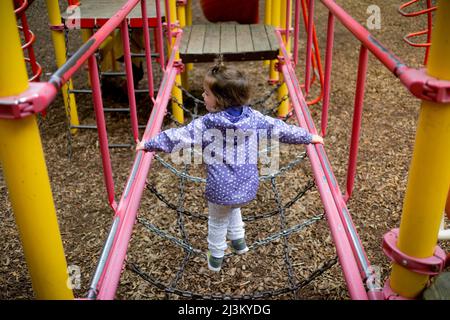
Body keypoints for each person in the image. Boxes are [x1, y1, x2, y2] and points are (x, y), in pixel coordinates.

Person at [136, 62, 324, 272]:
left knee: (217, 220)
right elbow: (279, 128)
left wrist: (148, 144)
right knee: (233, 206)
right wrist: (308, 137)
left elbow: (178, 136)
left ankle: (215, 257)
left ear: (220, 100)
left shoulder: (207, 123)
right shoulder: (253, 117)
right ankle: (239, 242)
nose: (203, 96)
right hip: (247, 185)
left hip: (220, 187)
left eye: (207, 93)